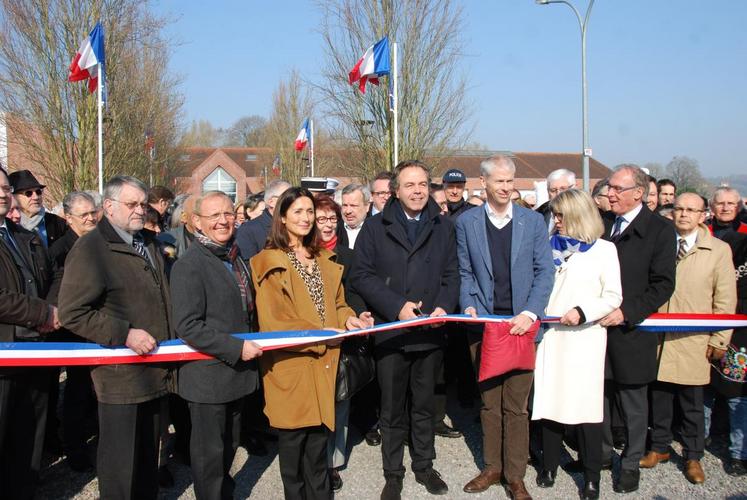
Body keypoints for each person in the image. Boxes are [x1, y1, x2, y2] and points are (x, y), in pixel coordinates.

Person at [250, 187, 371, 500]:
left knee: (318, 456)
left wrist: (349, 319)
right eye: (298, 212)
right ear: (283, 218)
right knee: (293, 461)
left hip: (324, 368)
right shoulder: (269, 261)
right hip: (291, 370)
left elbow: (338, 304)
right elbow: (276, 322)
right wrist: (327, 334)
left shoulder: (323, 258)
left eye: (310, 212)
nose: (306, 218)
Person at [59, 175, 174, 500]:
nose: (140, 210)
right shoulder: (91, 248)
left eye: (143, 204)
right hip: (121, 378)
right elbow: (73, 312)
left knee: (146, 468)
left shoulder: (148, 242)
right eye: (132, 204)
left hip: (155, 371)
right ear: (108, 207)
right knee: (121, 469)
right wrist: (124, 334)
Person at [351, 160, 460, 500]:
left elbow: (452, 274)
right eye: (410, 185)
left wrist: (444, 304)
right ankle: (393, 473)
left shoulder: (442, 226)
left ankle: (424, 466)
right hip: (393, 332)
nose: (417, 190)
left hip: (429, 331)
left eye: (423, 184)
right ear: (396, 191)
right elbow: (362, 276)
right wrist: (396, 306)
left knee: (425, 406)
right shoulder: (375, 227)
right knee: (392, 407)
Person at [456, 155, 554, 500]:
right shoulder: (466, 223)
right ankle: (492, 467)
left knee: (516, 405)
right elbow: (465, 272)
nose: (506, 187)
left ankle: (515, 476)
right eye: (499, 181)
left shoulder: (533, 222)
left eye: (510, 181)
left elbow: (545, 272)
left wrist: (530, 312)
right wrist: (470, 305)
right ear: (483, 183)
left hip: (521, 327)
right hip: (484, 326)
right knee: (489, 403)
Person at [170, 191, 263, 500]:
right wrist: (237, 349)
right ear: (197, 222)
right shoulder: (189, 265)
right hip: (208, 377)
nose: (224, 221)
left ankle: (224, 491)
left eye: (227, 214)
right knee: (210, 454)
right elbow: (188, 326)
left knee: (229, 445)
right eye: (214, 216)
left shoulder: (235, 258)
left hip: (237, 375)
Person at [532, 189, 622, 500]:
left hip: (585, 338)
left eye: (561, 215)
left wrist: (582, 312)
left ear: (579, 215)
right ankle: (549, 466)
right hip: (552, 337)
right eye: (554, 215)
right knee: (550, 404)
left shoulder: (604, 250)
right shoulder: (545, 247)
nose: (555, 221)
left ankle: (592, 476)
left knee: (587, 409)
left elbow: (612, 295)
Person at [640, 193, 736, 485]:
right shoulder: (661, 243)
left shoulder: (717, 250)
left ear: (703, 215)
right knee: (660, 397)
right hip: (659, 337)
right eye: (679, 209)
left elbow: (725, 297)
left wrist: (720, 339)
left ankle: (693, 455)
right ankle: (659, 447)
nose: (683, 214)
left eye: (690, 210)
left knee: (693, 402)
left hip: (694, 338)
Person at [599, 164, 676, 494]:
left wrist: (626, 312)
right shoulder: (604, 225)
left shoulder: (658, 230)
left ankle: (630, 463)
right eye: (609, 188)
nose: (610, 193)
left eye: (617, 188)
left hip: (631, 331)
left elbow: (663, 285)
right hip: (598, 328)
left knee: (632, 404)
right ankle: (600, 455)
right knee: (599, 398)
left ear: (638, 194)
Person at [0, 167, 59, 499]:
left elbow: (55, 276)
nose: (2, 192)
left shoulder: (26, 236)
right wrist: (43, 313)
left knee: (30, 433)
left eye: (6, 187)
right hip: (4, 354)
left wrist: (51, 311)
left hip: (37, 349)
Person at [314, 194, 369, 492]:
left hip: (343, 340)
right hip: (313, 342)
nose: (327, 225)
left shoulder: (349, 255)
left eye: (331, 219)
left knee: (340, 404)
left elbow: (356, 292)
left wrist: (361, 313)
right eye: (320, 219)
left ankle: (333, 463)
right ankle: (314, 458)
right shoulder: (303, 255)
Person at [47, 191, 99, 472]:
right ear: (68, 219)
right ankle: (75, 447)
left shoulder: (100, 242)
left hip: (98, 325)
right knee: (78, 390)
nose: (91, 218)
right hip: (74, 331)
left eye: (94, 212)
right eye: (84, 215)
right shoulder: (60, 250)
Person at [706, 229, 747, 476]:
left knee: (738, 396)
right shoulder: (732, 243)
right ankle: (701, 439)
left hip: (742, 333)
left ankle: (739, 453)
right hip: (717, 323)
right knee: (706, 388)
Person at [9, 169, 67, 247]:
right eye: (28, 193)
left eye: (38, 192)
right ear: (13, 196)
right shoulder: (8, 225)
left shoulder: (58, 223)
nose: (36, 197)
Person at [236, 179, 290, 260]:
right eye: (288, 198)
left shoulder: (295, 225)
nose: (293, 201)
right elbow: (251, 266)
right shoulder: (247, 230)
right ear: (271, 202)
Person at [537, 169, 577, 234]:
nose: (558, 194)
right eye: (553, 190)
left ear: (574, 188)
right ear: (548, 191)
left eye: (563, 189)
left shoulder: (587, 211)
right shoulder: (539, 214)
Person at [340, 183, 370, 248]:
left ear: (367, 206)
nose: (348, 211)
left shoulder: (376, 230)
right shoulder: (334, 229)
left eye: (353, 206)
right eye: (345, 205)